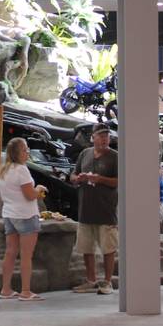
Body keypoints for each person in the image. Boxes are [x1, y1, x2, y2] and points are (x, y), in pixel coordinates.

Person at [70, 124, 119, 294]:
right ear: (93, 137)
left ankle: (107, 282)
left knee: (108, 248)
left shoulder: (115, 157)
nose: (105, 138)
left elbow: (119, 181)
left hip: (106, 210)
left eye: (107, 135)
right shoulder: (85, 154)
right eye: (101, 135)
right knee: (86, 247)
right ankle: (91, 280)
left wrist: (100, 179)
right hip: (85, 210)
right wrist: (79, 178)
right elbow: (73, 175)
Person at [0, 137, 45, 302]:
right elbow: (30, 195)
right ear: (17, 153)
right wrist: (39, 189)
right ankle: (25, 291)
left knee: (10, 252)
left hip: (9, 214)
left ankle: (6, 289)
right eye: (24, 149)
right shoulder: (22, 170)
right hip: (26, 215)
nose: (28, 152)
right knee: (26, 255)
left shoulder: (4, 170)